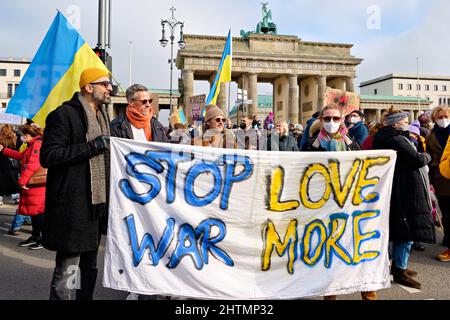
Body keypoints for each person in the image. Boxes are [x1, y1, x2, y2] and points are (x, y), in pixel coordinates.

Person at [40, 68, 112, 300]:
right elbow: (49, 156)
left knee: (88, 268)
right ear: (89, 87)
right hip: (72, 208)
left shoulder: (103, 117)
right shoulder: (62, 115)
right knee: (70, 269)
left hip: (94, 207)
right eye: (105, 84)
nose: (110, 88)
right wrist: (93, 146)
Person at [373, 107, 435, 289]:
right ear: (396, 122)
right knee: (405, 231)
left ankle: (399, 265)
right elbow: (417, 159)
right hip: (404, 187)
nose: (407, 124)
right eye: (405, 121)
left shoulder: (384, 136)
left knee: (400, 230)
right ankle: (399, 270)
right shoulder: (397, 139)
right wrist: (427, 155)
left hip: (398, 185)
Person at [0, 125, 46, 249]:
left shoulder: (36, 145)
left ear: (27, 135)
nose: (20, 137)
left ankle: (42, 239)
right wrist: (3, 150)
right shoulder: (33, 144)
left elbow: (33, 165)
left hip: (36, 185)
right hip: (33, 185)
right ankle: (36, 236)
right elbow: (21, 156)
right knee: (34, 213)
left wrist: (21, 182)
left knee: (39, 213)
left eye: (22, 135)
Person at [427, 106, 450, 262]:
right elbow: (429, 157)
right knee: (446, 210)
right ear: (435, 119)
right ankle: (447, 237)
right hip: (440, 177)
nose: (443, 119)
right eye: (440, 117)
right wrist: (430, 180)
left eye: (446, 116)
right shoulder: (431, 136)